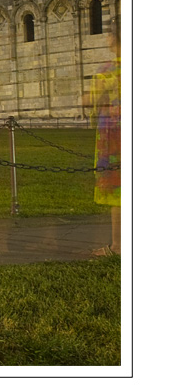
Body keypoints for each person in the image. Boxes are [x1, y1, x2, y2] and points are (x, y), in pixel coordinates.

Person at [88, 20, 121, 256]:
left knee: (118, 194)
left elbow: (94, 105)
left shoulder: (107, 72)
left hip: (115, 140)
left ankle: (118, 246)